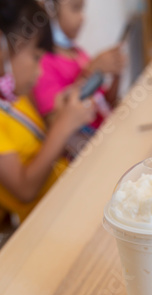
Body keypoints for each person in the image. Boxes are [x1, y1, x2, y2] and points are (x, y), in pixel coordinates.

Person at [0, 0, 96, 223]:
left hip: (66, 199)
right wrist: (63, 127)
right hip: (47, 221)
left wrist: (63, 116)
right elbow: (24, 190)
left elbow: (40, 143)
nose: (40, 70)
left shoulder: (15, 99)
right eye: (35, 57)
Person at [33, 0, 126, 129]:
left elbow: (104, 102)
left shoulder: (79, 53)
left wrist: (117, 75)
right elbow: (56, 122)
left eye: (82, 9)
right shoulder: (43, 64)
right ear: (51, 12)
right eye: (76, 9)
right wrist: (90, 71)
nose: (82, 18)